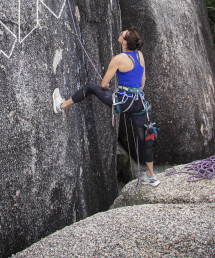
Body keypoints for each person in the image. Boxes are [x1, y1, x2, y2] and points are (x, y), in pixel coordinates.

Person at [52, 26, 160, 186]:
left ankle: (61, 106)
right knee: (146, 136)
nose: (120, 32)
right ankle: (151, 177)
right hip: (138, 103)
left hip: (122, 102)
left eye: (122, 33)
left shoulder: (119, 59)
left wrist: (112, 90)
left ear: (124, 41)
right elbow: (142, 80)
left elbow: (103, 84)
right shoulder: (140, 55)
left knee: (89, 86)